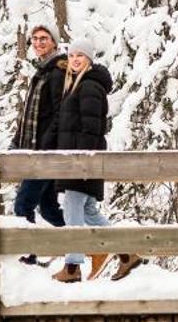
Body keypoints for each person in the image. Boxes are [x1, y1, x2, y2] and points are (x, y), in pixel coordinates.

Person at [49, 43, 138, 284]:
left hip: (83, 161)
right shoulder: (79, 85)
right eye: (72, 56)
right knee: (87, 210)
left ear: (89, 59)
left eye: (81, 56)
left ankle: (72, 265)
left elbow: (92, 128)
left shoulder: (88, 86)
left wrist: (82, 161)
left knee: (72, 207)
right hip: (78, 159)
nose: (76, 60)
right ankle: (126, 253)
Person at [13, 24, 67, 259]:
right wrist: (17, 142)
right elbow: (29, 114)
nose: (38, 43)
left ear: (54, 42)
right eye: (34, 39)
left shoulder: (57, 72)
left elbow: (58, 113)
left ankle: (26, 259)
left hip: (44, 153)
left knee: (23, 205)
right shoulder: (43, 71)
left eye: (44, 39)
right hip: (34, 149)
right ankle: (94, 245)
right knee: (48, 209)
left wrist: (46, 145)